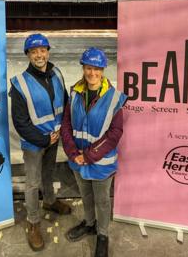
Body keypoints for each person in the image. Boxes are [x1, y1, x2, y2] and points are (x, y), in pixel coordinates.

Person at [60, 47, 127, 257]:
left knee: (102, 201)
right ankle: (89, 224)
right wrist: (73, 153)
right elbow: (66, 126)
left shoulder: (114, 98)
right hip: (77, 161)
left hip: (101, 163)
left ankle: (103, 235)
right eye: (89, 68)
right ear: (83, 68)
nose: (92, 73)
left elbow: (115, 133)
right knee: (86, 196)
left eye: (97, 69)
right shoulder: (75, 93)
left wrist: (88, 155)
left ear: (103, 70)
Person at [10, 33, 72, 251]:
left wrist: (61, 132)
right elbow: (20, 122)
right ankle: (33, 222)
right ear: (28, 55)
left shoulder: (56, 74)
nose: (39, 55)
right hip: (35, 143)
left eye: (42, 50)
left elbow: (63, 102)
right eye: (34, 51)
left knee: (48, 174)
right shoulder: (20, 84)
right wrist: (44, 139)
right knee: (33, 183)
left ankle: (50, 200)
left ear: (48, 51)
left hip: (53, 139)